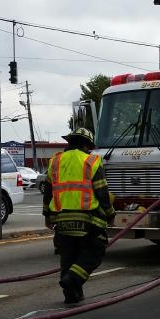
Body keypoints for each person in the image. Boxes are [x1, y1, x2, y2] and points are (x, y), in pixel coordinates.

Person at [43, 127, 116, 306]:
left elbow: (48, 191)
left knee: (68, 256)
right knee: (94, 253)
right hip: (88, 219)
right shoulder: (91, 160)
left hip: (61, 219)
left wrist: (47, 215)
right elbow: (101, 191)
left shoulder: (55, 161)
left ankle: (71, 295)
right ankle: (73, 279)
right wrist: (110, 214)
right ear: (86, 144)